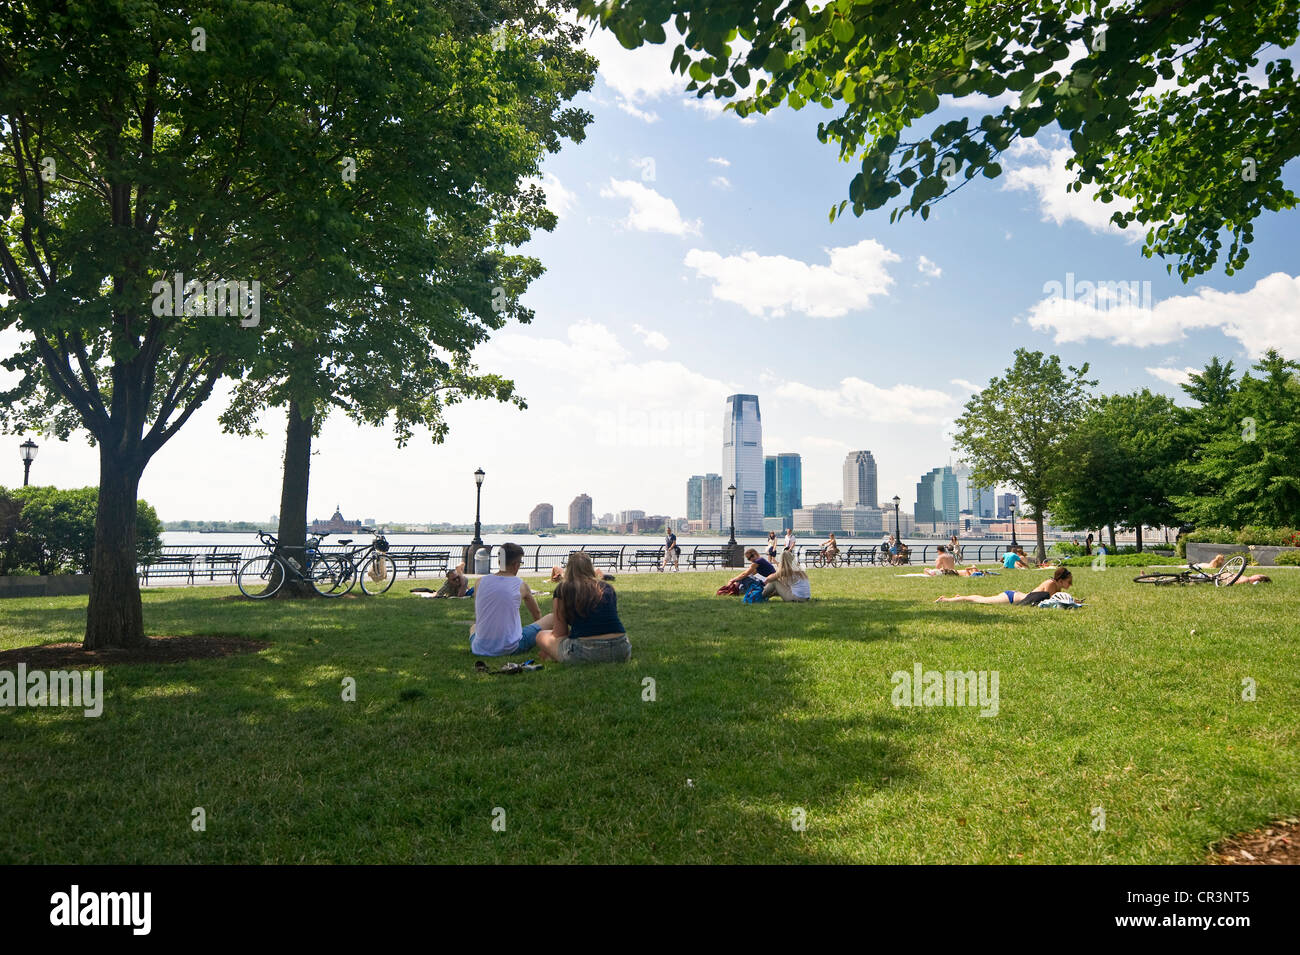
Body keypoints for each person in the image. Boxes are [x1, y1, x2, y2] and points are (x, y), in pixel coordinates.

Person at [534, 551, 630, 664]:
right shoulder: (607, 588)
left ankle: (554, 656)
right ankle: (553, 655)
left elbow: (559, 633)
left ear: (569, 569)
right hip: (621, 649)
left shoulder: (563, 589)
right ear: (590, 568)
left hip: (585, 650)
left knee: (541, 635)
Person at [470, 543, 553, 657]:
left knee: (474, 627)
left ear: (499, 562)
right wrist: (538, 633)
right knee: (552, 617)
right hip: (510, 647)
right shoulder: (520, 585)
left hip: (479, 647)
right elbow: (536, 613)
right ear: (516, 565)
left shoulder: (479, 582)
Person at [936, 567, 1074, 605]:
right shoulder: (1050, 584)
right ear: (1060, 580)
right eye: (1069, 582)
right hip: (1010, 598)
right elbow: (1049, 603)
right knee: (979, 600)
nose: (1070, 585)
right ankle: (947, 600)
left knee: (981, 599)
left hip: (1015, 596)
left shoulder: (1057, 586)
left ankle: (960, 597)